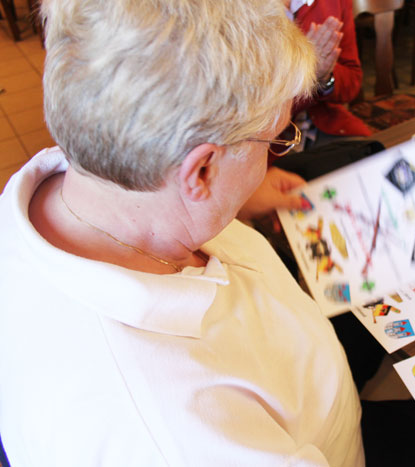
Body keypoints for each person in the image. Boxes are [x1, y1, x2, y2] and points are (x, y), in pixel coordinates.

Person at [0, 0, 364, 465]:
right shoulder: (173, 433)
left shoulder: (106, 186)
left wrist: (235, 196)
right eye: (275, 137)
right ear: (201, 170)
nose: (271, 154)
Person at [284, 0, 372, 148]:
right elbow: (248, 110)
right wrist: (303, 77)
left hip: (325, 124)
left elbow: (352, 82)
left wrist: (324, 78)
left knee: (373, 155)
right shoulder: (244, 11)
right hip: (263, 143)